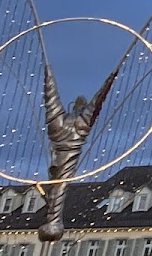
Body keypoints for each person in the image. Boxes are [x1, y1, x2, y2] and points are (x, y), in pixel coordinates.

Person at [39, 65, 118, 241]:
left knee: (58, 184)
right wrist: (111, 78)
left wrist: (48, 73)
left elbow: (51, 98)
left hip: (61, 153)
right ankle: (53, 219)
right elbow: (97, 102)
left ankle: (53, 219)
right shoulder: (79, 124)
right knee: (59, 184)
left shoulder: (66, 124)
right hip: (65, 153)